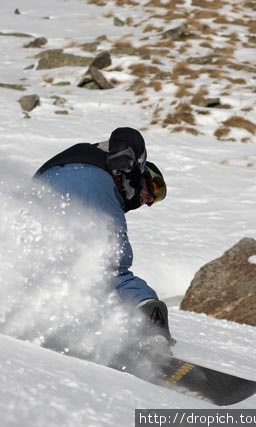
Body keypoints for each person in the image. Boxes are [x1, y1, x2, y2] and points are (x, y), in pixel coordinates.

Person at [33, 127, 172, 353]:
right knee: (113, 266)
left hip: (42, 186)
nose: (149, 198)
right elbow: (127, 135)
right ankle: (153, 333)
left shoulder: (109, 172)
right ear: (144, 169)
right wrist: (125, 156)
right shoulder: (123, 164)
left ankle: (48, 318)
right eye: (154, 187)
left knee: (53, 260)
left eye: (154, 201)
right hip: (91, 181)